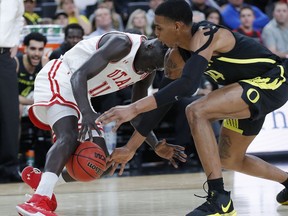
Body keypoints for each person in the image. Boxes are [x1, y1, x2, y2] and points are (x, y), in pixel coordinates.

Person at [97, 1, 288, 215]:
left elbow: (188, 85)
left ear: (177, 26)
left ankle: (219, 199)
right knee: (229, 159)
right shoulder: (175, 56)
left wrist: (133, 108)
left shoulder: (207, 34)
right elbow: (163, 101)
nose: (156, 34)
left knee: (196, 110)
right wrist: (130, 148)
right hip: (241, 92)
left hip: (271, 82)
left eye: (159, 28)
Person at [16, 31, 187, 215]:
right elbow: (78, 75)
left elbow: (137, 116)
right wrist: (86, 112)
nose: (152, 70)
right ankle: (38, 202)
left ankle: (44, 182)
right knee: (69, 135)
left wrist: (155, 145)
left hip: (81, 93)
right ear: (153, 45)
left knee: (101, 164)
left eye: (157, 69)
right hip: (60, 76)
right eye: (155, 64)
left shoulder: (147, 73)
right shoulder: (123, 44)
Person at [0, 0, 24, 183]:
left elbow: (18, 19)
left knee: (9, 113)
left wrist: (14, 46)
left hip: (4, 56)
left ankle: (9, 167)